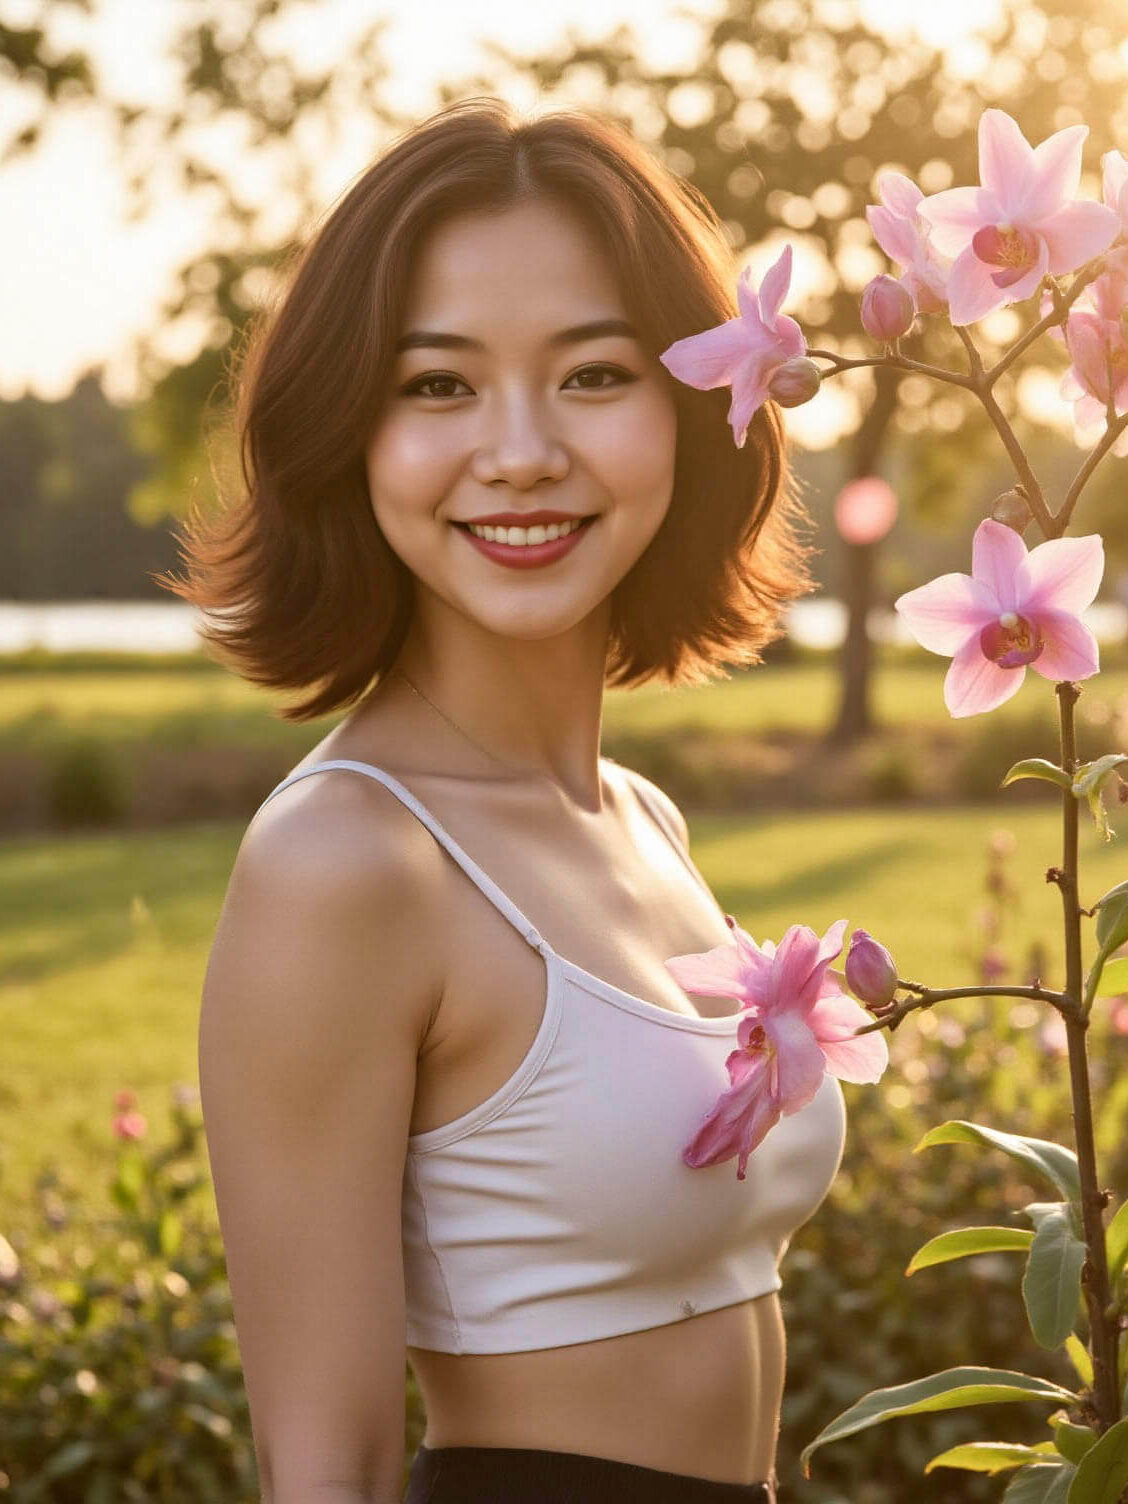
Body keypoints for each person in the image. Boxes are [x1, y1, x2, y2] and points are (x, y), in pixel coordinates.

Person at [160, 95, 846, 1504]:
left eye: (593, 374)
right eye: (438, 386)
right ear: (350, 432)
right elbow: (327, 1468)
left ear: (696, 406)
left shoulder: (641, 820)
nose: (522, 450)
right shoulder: (347, 864)